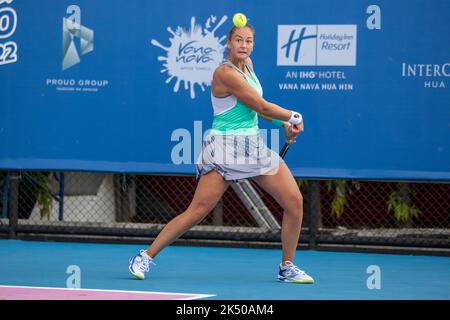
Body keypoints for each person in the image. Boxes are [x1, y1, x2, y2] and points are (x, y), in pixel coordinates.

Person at [129, 22, 314, 284]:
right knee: (198, 210)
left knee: (294, 202)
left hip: (253, 146)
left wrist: (282, 124)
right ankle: (145, 256)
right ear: (228, 43)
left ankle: (287, 267)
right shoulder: (225, 73)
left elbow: (257, 111)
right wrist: (294, 116)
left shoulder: (248, 67)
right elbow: (262, 104)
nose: (244, 45)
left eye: (248, 41)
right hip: (224, 148)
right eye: (238, 40)